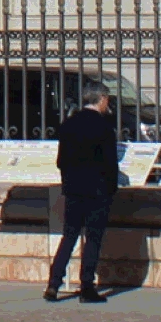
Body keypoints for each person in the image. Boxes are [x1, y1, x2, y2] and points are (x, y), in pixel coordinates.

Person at [45, 82, 119, 304]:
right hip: (97, 190)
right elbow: (109, 163)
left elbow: (61, 161)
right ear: (102, 99)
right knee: (93, 239)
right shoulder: (104, 127)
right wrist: (111, 188)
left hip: (74, 190)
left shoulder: (69, 124)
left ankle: (53, 283)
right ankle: (87, 286)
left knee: (69, 236)